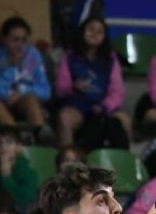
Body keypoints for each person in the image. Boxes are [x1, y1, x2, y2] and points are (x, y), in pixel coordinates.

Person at [55, 16, 129, 149]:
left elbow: (117, 91)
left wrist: (105, 106)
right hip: (77, 105)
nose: (94, 34)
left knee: (125, 120)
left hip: (103, 105)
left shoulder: (111, 59)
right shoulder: (69, 56)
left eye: (99, 31)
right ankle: (68, 159)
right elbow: (60, 89)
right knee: (64, 118)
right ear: (83, 31)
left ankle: (125, 160)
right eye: (90, 29)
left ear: (104, 37)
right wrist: (73, 87)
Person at [0, 17, 51, 137]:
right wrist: (10, 67)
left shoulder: (33, 55)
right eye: (15, 40)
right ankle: (15, 138)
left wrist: (21, 91)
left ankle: (40, 135)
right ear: (3, 39)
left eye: (24, 40)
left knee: (29, 97)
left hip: (23, 103)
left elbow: (45, 91)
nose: (20, 45)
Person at [0, 126, 39, 214]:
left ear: (18, 147)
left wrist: (6, 176)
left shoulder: (28, 172)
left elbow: (23, 201)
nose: (3, 147)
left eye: (9, 142)